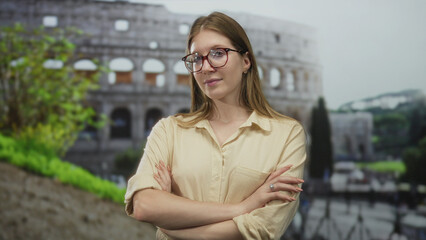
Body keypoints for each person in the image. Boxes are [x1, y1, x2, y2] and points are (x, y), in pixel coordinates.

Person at [125, 12, 307, 240]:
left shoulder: (286, 134)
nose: (206, 67)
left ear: (246, 61)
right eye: (196, 59)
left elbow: (262, 229)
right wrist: (243, 208)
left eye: (218, 53)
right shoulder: (169, 130)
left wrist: (171, 224)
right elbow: (144, 206)